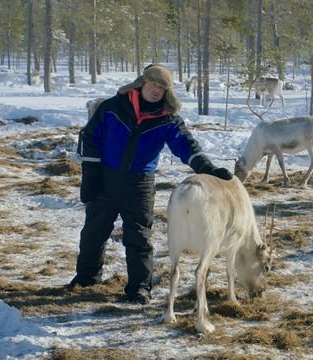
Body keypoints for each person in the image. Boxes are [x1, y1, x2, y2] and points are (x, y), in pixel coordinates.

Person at [68, 64, 233, 304]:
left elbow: (185, 145)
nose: (157, 90)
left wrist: (207, 168)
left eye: (162, 87)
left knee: (139, 238)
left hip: (139, 185)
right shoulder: (112, 107)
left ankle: (139, 289)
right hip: (105, 178)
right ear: (142, 82)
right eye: (153, 84)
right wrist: (91, 175)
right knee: (93, 232)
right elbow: (91, 138)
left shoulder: (167, 118)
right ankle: (86, 278)